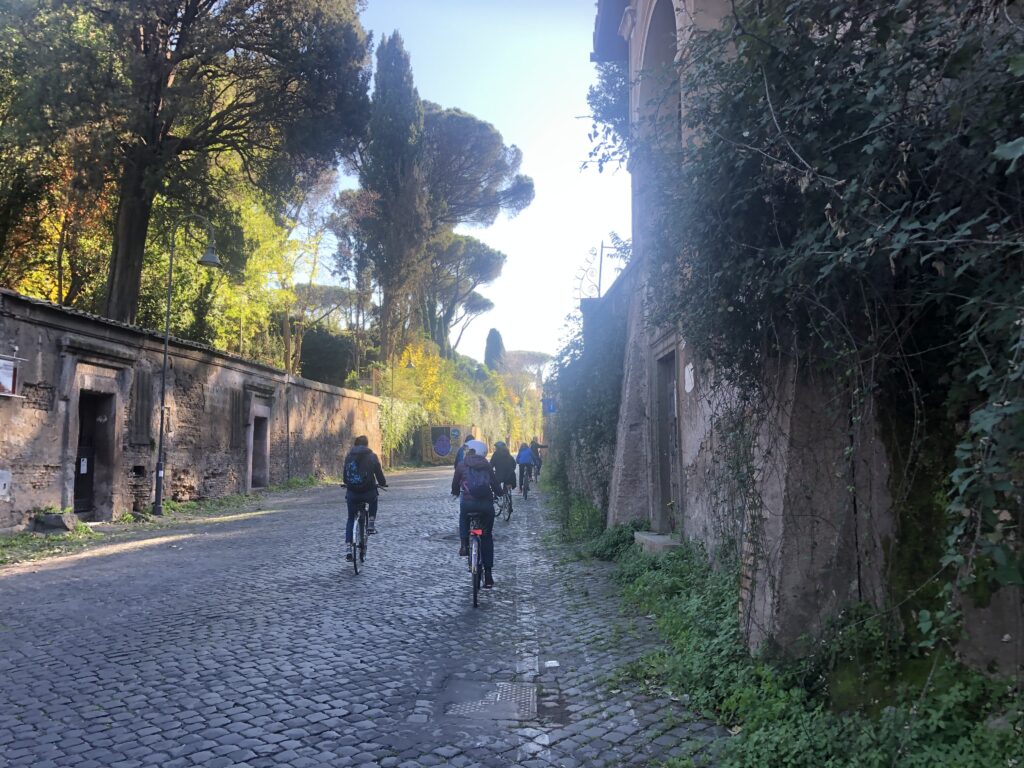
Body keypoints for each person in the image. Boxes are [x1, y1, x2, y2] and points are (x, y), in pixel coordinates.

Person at [451, 439, 501, 588]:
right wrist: (498, 493)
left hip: (468, 504)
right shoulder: (487, 466)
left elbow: (455, 484)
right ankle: (488, 575)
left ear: (471, 451)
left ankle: (464, 545)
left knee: (463, 515)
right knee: (487, 536)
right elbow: (495, 484)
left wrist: (455, 492)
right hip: (486, 505)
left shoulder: (461, 465)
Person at [342, 435, 387, 561]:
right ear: (367, 444)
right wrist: (382, 483)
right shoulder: (372, 456)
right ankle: (371, 523)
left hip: (352, 494)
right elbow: (379, 475)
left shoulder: (348, 457)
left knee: (351, 518)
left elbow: (345, 478)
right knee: (374, 498)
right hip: (368, 493)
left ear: (355, 444)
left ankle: (348, 548)